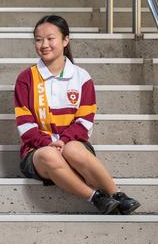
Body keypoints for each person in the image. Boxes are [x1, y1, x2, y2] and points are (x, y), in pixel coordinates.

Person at [14, 15, 140, 214]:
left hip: (74, 146)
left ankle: (117, 195)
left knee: (72, 148)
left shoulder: (81, 77)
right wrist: (48, 143)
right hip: (37, 151)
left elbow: (84, 121)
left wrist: (63, 141)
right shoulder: (26, 78)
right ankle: (96, 197)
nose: (44, 44)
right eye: (38, 40)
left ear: (65, 40)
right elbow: (25, 124)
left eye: (50, 38)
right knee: (49, 154)